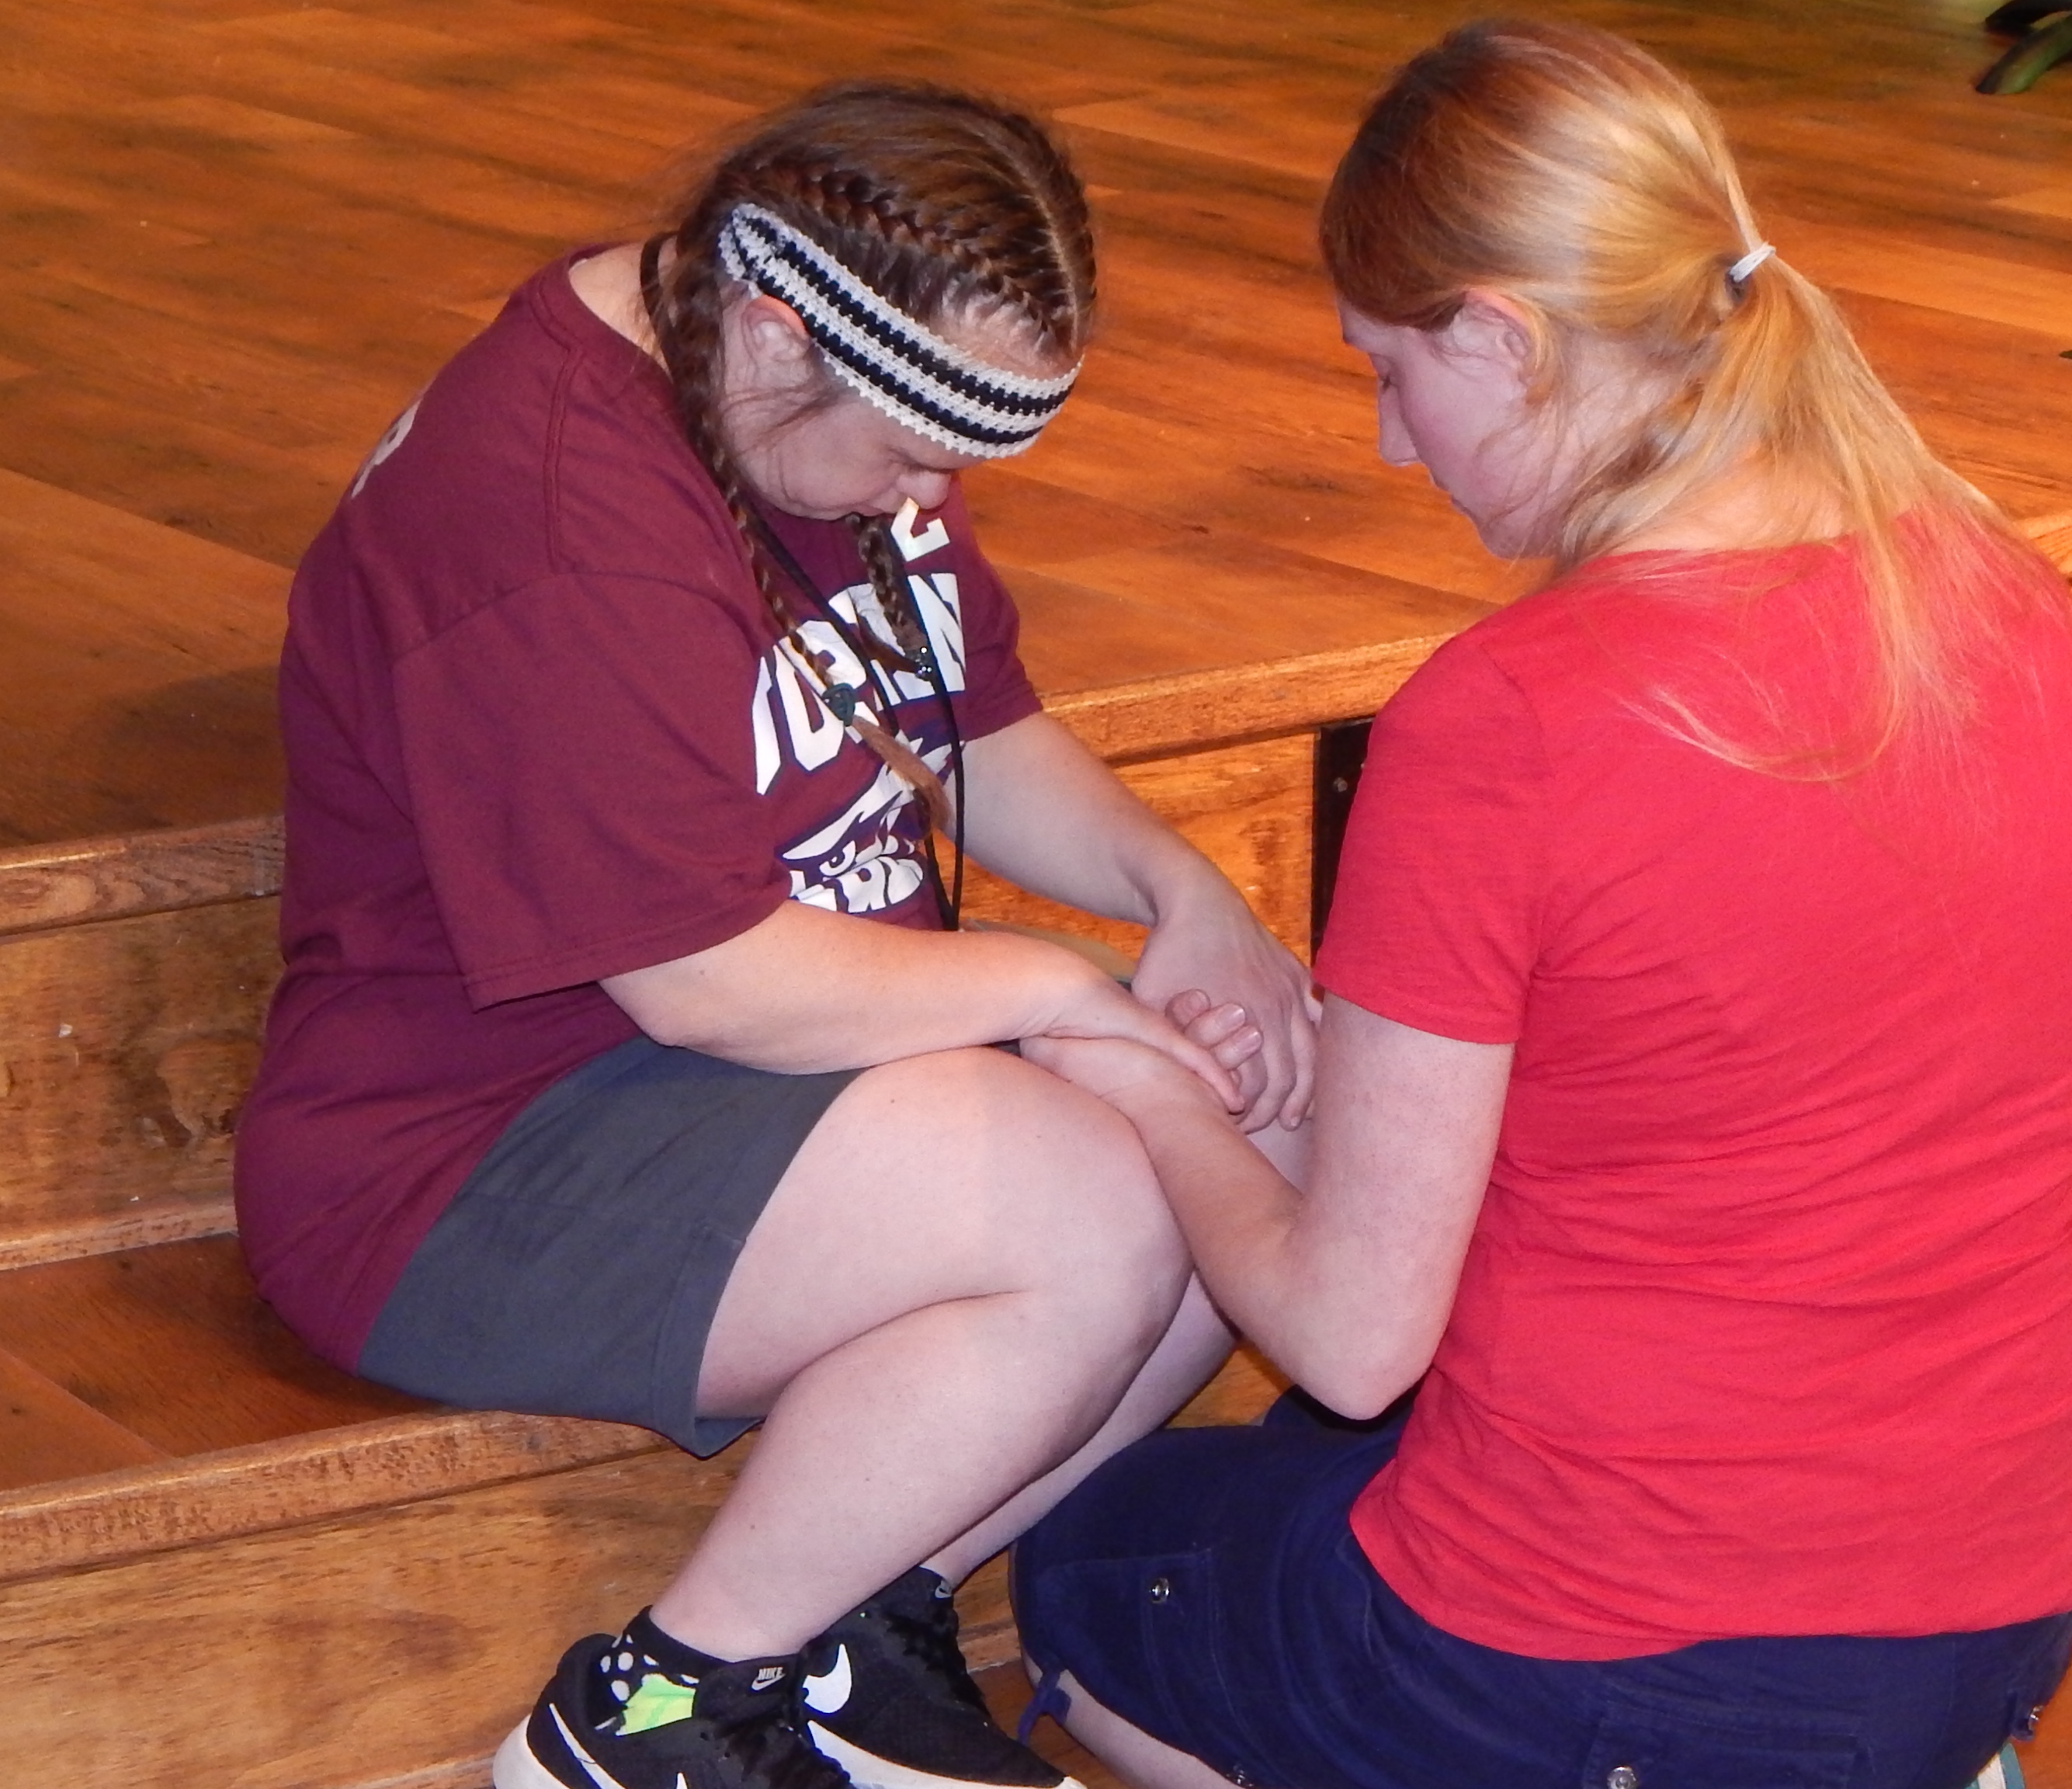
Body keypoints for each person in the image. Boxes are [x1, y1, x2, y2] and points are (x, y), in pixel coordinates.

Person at [1008, 19, 2072, 1789]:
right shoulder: (1995, 589)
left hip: (1626, 1658)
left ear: (1502, 337)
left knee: (1096, 1560)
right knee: (1309, 1467)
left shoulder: (1510, 715)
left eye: (1390, 371)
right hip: (1988, 1621)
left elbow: (1355, 1338)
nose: (1389, 443)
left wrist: (1141, 1081)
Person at [233, 81, 1316, 1789]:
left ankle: (855, 1638)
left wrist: (1192, 900)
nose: (929, 492)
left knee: (1255, 1114)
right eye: (909, 454)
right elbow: (711, 980)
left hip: (724, 1069)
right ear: (766, 322)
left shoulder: (775, 382)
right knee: (1105, 1181)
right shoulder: (558, 521)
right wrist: (1070, 988)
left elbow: (972, 717)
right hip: (469, 1148)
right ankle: (655, 1709)